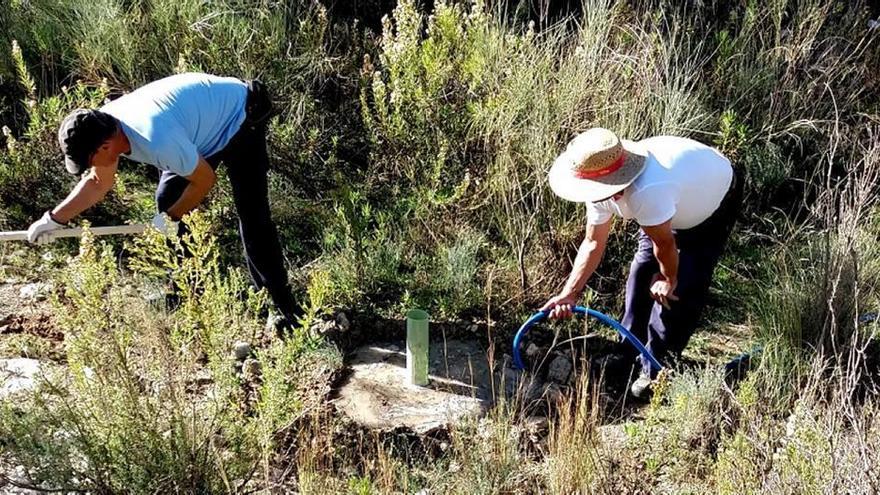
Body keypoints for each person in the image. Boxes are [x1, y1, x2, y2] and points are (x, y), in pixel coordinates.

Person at [25, 72, 301, 330]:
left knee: (252, 215)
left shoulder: (155, 138)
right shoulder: (105, 126)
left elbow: (204, 181)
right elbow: (99, 182)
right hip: (195, 130)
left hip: (240, 117)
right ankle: (192, 289)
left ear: (105, 147)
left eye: (86, 162)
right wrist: (53, 219)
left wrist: (170, 218)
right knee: (167, 198)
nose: (86, 168)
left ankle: (283, 306)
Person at [541, 127, 742, 398]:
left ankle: (657, 368)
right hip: (669, 200)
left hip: (709, 202)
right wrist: (569, 293)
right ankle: (627, 353)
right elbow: (592, 243)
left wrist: (669, 278)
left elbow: (666, 244)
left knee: (681, 287)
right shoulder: (599, 185)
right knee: (640, 273)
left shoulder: (648, 189)